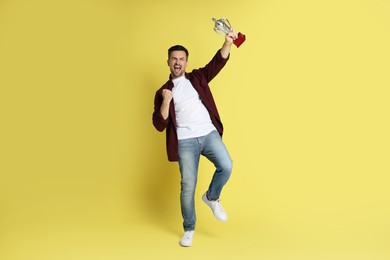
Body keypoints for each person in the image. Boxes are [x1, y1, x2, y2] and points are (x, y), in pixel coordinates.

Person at [152, 30, 238, 247]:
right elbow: (159, 124)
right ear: (168, 62)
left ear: (186, 62)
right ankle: (189, 229)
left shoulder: (198, 77)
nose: (178, 62)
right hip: (185, 142)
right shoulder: (163, 91)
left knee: (226, 165)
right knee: (187, 186)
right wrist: (165, 101)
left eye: (181, 59)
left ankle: (211, 197)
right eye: (174, 59)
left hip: (208, 133)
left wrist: (227, 42)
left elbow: (217, 62)